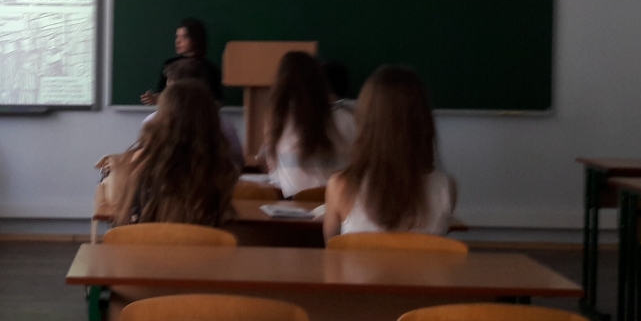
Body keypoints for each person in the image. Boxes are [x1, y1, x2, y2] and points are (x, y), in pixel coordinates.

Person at [323, 65, 456, 238]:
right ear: (423, 122)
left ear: (365, 121)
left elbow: (332, 248)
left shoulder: (340, 186)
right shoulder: (446, 188)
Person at [114, 80, 239, 227]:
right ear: (210, 117)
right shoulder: (219, 164)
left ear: (162, 116)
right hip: (201, 241)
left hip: (142, 239)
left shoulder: (141, 159)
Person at [261, 51, 356, 198]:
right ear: (321, 83)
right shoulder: (346, 119)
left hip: (291, 205)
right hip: (335, 204)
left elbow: (273, 171)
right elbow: (356, 167)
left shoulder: (278, 121)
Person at [140, 18, 221, 105]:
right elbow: (162, 92)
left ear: (196, 39)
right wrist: (156, 98)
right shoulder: (169, 65)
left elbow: (217, 100)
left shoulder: (209, 69)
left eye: (185, 37)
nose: (178, 41)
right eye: (177, 37)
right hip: (173, 111)